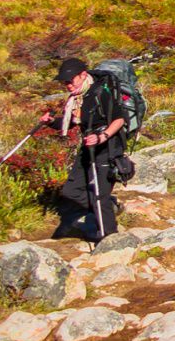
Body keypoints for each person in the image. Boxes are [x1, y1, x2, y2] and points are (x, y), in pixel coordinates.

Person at [52, 58, 128, 243]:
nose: (68, 85)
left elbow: (120, 118)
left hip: (107, 147)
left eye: (71, 80)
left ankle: (109, 239)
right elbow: (72, 122)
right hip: (88, 146)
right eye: (65, 82)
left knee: (99, 195)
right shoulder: (77, 97)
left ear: (83, 75)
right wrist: (51, 122)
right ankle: (107, 206)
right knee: (71, 191)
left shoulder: (101, 92)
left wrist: (103, 136)